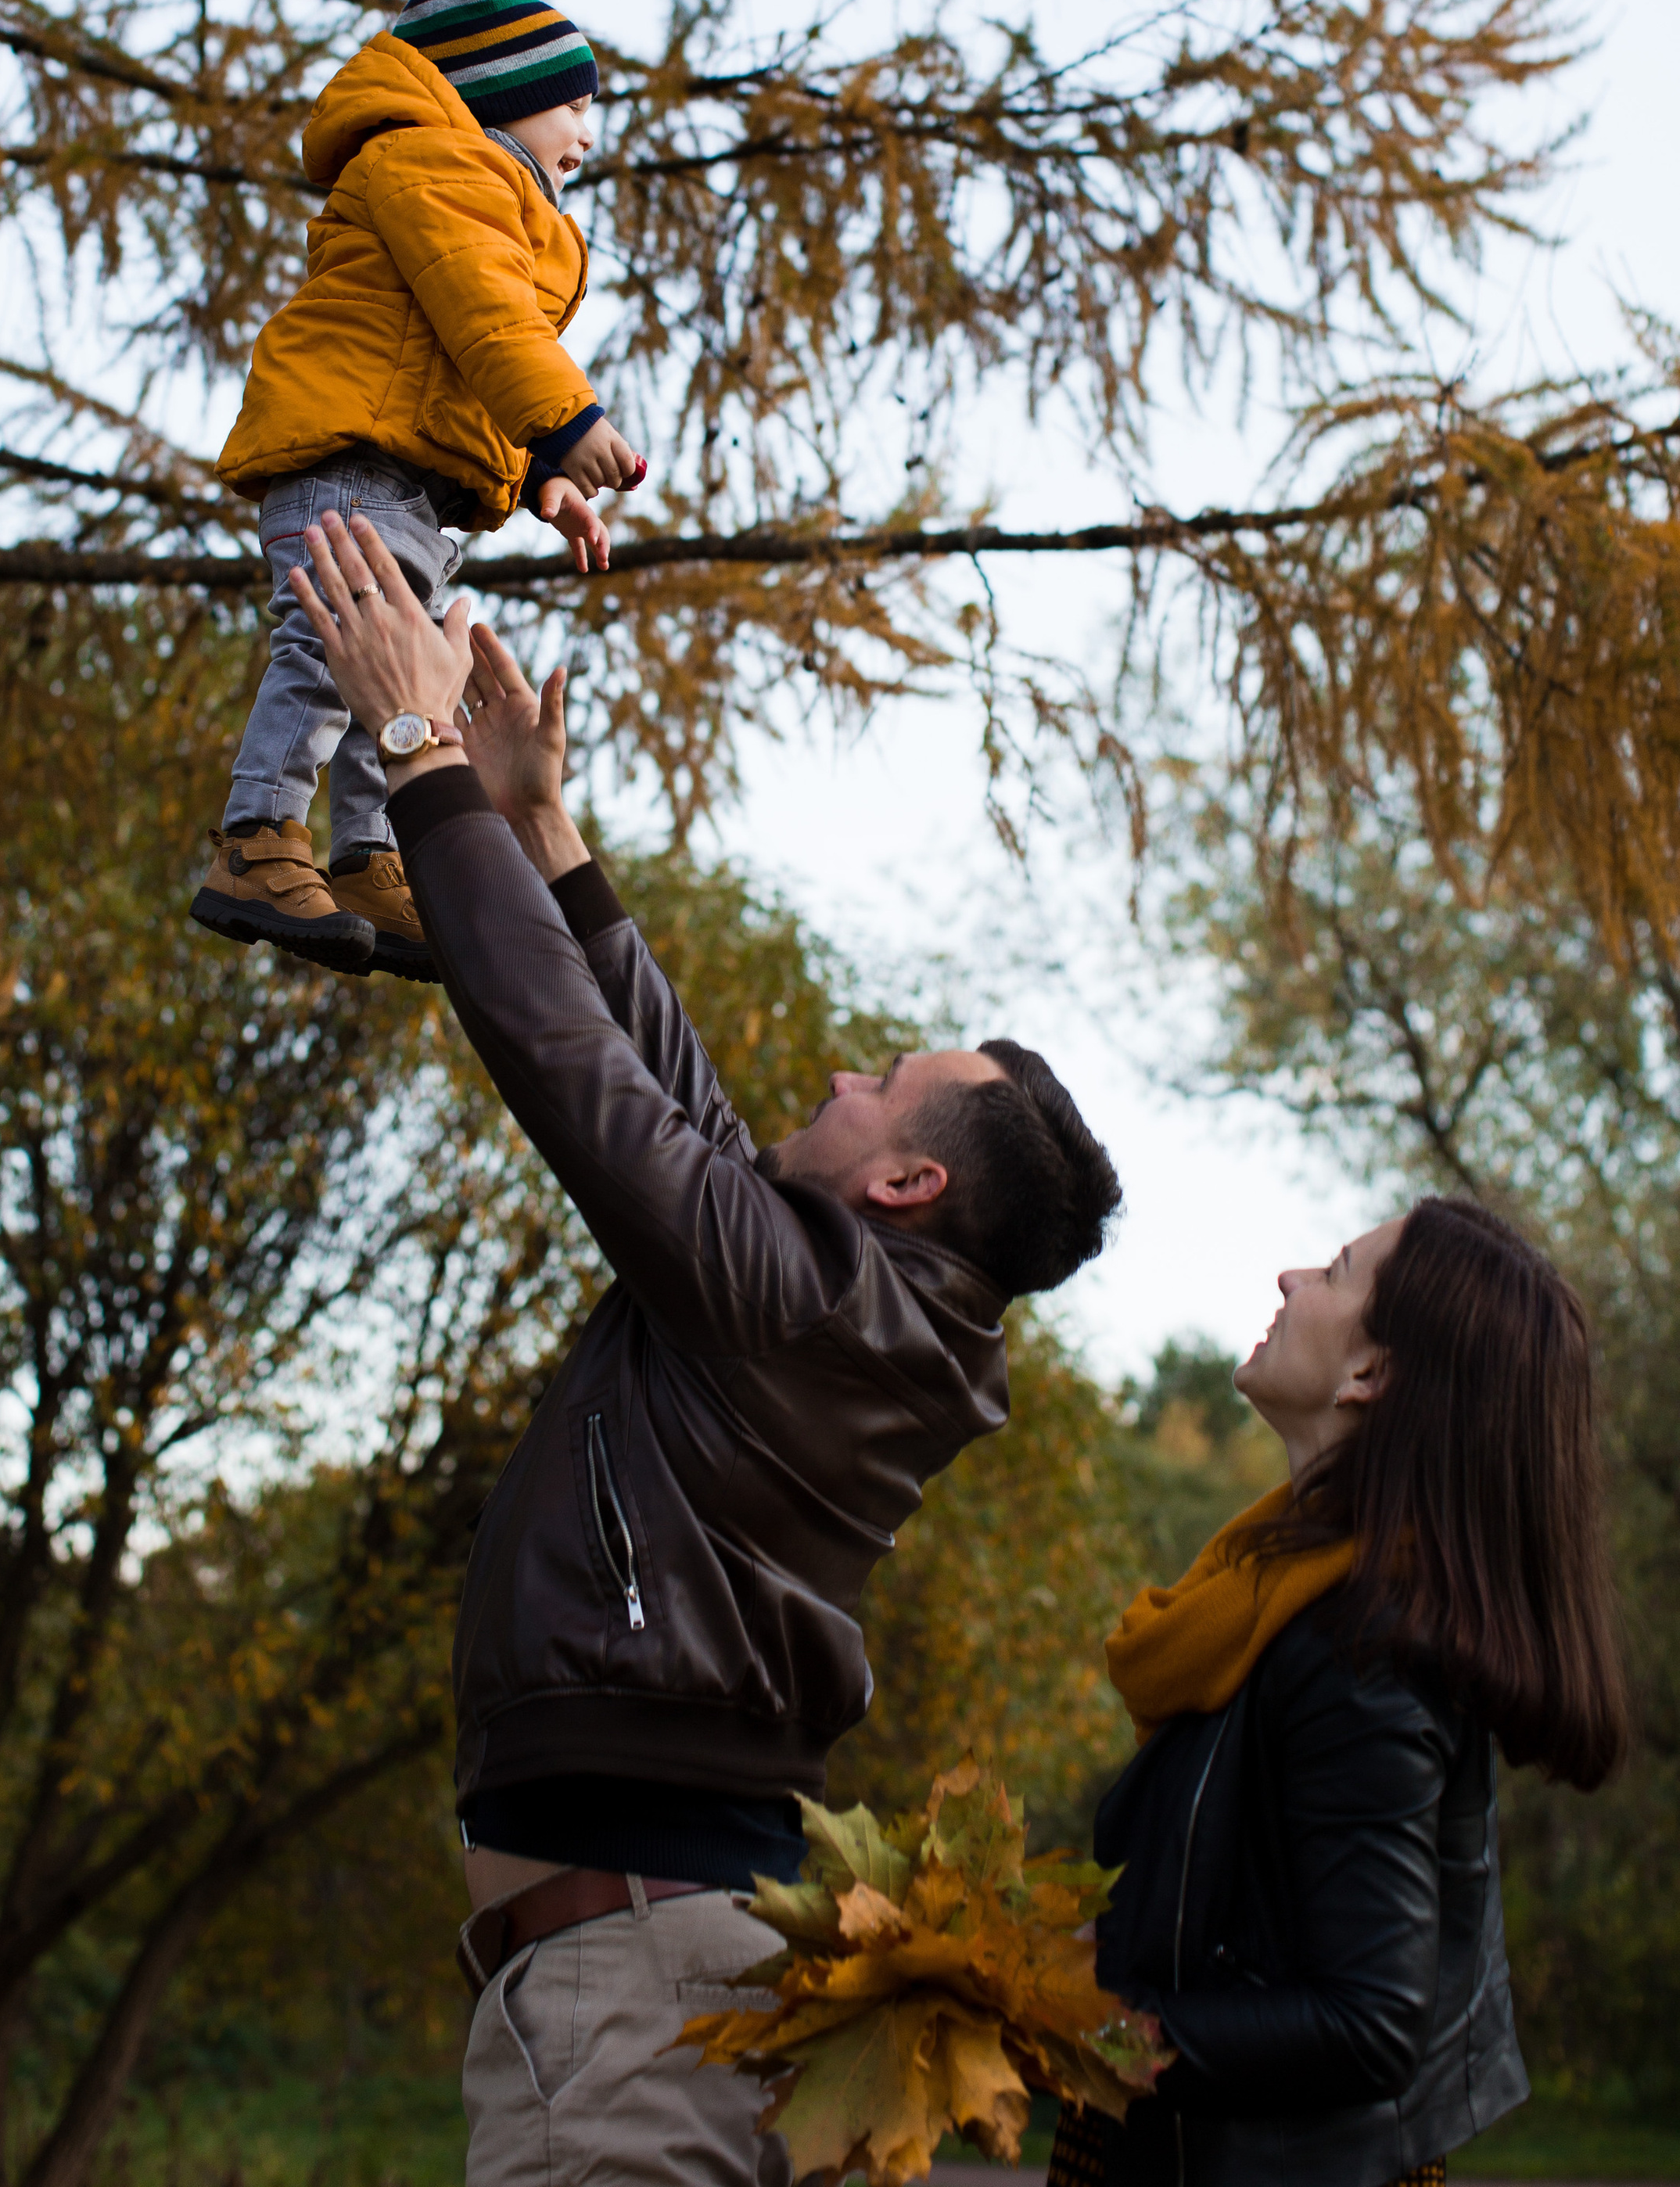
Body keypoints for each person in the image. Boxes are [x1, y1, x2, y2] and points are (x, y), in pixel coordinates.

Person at [279, 505, 1125, 2187]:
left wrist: (415, 753)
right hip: (611, 1977)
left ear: (902, 1178)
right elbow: (681, 1113)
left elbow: (583, 1081)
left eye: (871, 1085)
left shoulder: (804, 1298)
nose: (826, 1083)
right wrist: (542, 823)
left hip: (639, 1992)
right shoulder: (838, 1299)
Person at [1048, 1199, 1629, 2187]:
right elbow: (1247, 1920)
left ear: (1372, 1374)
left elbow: (1366, 2024)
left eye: (1334, 1271)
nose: (1290, 1279)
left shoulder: (1366, 1657)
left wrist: (1089, 2025)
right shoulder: (1281, 1612)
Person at [191, 0, 644, 982]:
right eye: (575, 103)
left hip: (407, 483)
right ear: (498, 96)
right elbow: (484, 314)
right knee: (327, 656)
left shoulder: (473, 186)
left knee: (392, 687)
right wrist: (567, 422)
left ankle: (367, 859)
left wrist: (536, 478)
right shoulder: (432, 168)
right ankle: (257, 839)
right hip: (351, 465)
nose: (589, 130)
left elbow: (448, 360)